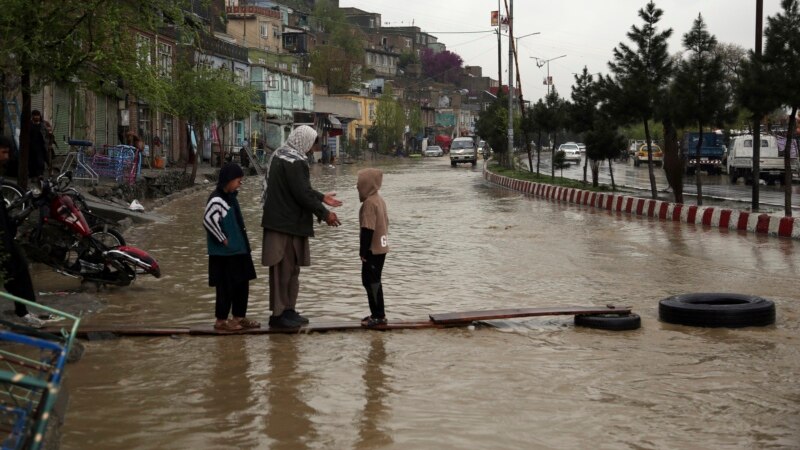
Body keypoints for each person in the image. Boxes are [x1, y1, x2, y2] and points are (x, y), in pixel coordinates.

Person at [260, 125, 342, 329]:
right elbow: (302, 194)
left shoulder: (282, 155)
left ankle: (288, 310)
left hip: (287, 223)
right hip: (285, 224)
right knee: (284, 271)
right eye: (312, 143)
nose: (312, 148)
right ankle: (279, 315)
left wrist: (322, 197)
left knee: (290, 270)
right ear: (304, 141)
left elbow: (300, 189)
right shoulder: (295, 162)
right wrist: (325, 214)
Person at [203, 163, 259, 332]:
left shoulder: (231, 197)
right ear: (228, 180)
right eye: (238, 180)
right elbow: (208, 220)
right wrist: (222, 239)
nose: (240, 183)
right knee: (225, 287)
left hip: (239, 250)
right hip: (225, 254)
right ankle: (221, 321)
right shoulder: (217, 199)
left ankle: (238, 318)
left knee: (242, 284)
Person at [0, 135, 46, 328]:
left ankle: (24, 312)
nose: (6, 157)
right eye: (3, 152)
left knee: (18, 269)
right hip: (1, 238)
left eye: (7, 152)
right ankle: (23, 313)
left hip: (4, 234)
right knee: (13, 272)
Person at [357, 168, 389, 327]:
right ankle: (376, 313)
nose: (357, 186)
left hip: (373, 250)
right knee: (371, 281)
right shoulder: (379, 199)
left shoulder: (370, 203)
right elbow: (386, 223)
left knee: (372, 282)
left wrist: (363, 252)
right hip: (381, 248)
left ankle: (378, 316)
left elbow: (368, 229)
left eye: (359, 183)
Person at [28, 110, 48, 181]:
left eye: (38, 115)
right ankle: (33, 176)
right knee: (32, 162)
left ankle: (40, 175)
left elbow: (47, 135)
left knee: (40, 161)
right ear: (32, 116)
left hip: (40, 146)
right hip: (31, 146)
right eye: (35, 115)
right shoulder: (29, 124)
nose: (36, 117)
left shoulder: (42, 125)